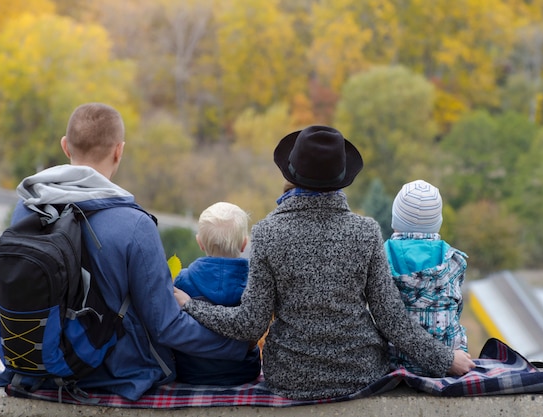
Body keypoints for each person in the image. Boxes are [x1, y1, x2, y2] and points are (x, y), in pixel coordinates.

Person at [174, 125, 475, 400]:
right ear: (341, 179)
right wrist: (445, 358)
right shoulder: (366, 231)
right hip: (360, 373)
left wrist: (191, 305)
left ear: (290, 174)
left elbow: (250, 325)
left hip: (290, 377)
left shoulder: (267, 233)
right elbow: (390, 318)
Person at [0, 103, 250, 400]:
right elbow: (167, 327)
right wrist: (237, 346)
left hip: (31, 363)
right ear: (119, 151)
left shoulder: (27, 207)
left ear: (65, 146)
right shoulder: (134, 225)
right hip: (107, 374)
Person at [384, 179, 469, 374]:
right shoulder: (455, 261)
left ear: (395, 218)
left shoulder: (380, 257)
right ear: (437, 222)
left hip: (393, 362)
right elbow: (456, 311)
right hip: (450, 364)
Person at [172, 201, 261, 385]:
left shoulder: (183, 281)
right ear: (244, 243)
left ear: (200, 243)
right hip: (243, 371)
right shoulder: (253, 285)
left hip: (190, 371)